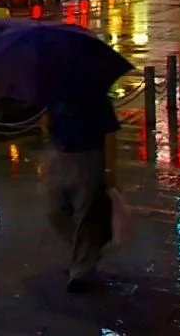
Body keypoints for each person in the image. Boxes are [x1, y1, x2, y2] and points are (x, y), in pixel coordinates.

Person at [43, 76, 122, 292]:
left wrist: (109, 169)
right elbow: (49, 128)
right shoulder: (54, 96)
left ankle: (81, 271)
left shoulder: (97, 98)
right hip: (60, 157)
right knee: (56, 212)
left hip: (89, 157)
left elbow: (109, 134)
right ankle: (87, 250)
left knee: (85, 213)